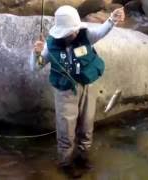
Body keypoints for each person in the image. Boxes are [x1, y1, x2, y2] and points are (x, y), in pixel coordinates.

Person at [30, 5, 125, 170]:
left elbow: (102, 31)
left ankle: (83, 158)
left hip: (88, 86)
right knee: (66, 132)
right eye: (69, 31)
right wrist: (36, 54)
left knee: (87, 127)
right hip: (65, 92)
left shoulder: (86, 34)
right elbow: (36, 66)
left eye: (75, 29)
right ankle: (65, 164)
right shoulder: (50, 46)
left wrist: (112, 20)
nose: (73, 33)